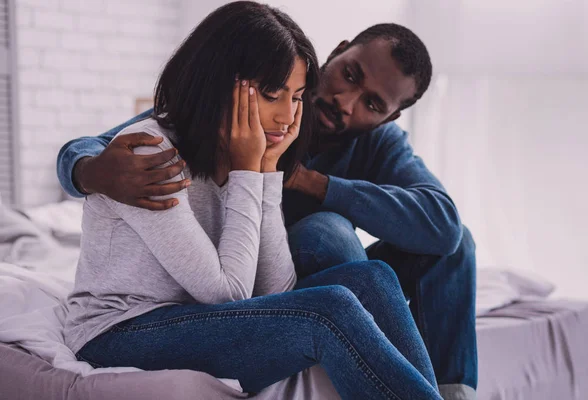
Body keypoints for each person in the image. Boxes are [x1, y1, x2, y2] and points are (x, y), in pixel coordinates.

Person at [58, 16, 476, 400]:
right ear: (225, 85)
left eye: (296, 98)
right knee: (332, 305)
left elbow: (274, 291)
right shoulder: (155, 149)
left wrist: (267, 170)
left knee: (374, 277)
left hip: (200, 303)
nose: (289, 116)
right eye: (276, 95)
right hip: (119, 330)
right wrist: (92, 170)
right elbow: (228, 293)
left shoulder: (261, 145)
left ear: (390, 117)